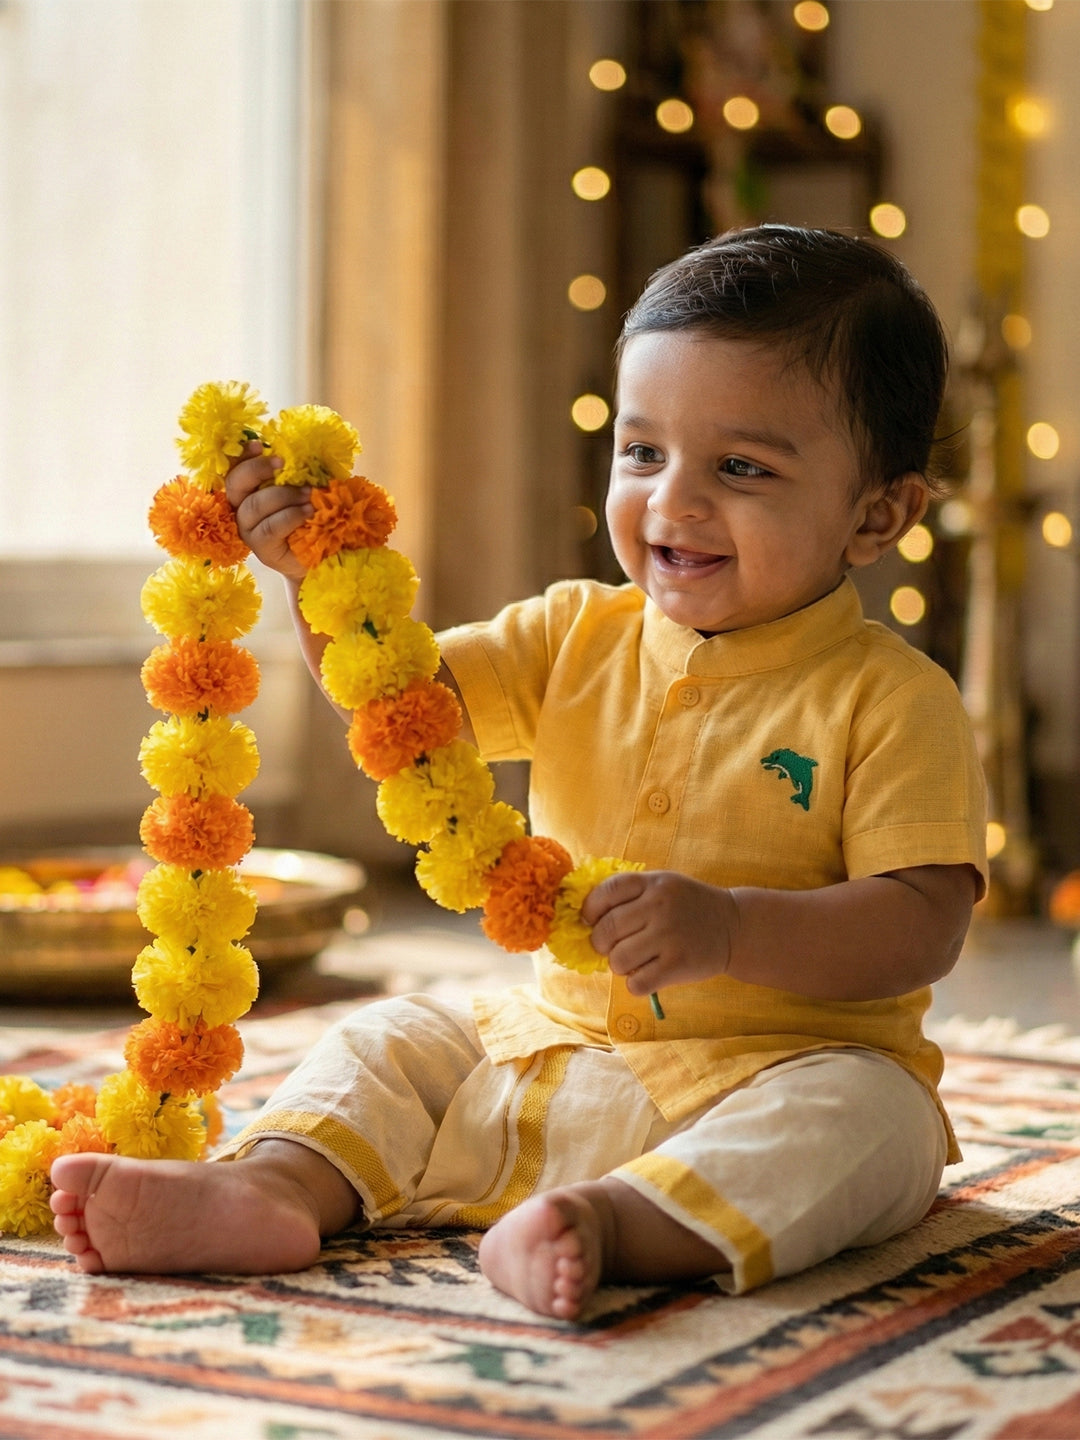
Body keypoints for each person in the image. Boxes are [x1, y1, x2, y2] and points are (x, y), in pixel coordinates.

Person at [51, 224, 986, 1322]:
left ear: (878, 515)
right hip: (553, 1047)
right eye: (643, 454)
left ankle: (613, 1223)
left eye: (740, 468)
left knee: (874, 1128)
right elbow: (400, 708)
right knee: (392, 1036)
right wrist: (316, 577)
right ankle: (272, 1187)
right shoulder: (573, 632)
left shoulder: (893, 699)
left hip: (781, 1070)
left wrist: (733, 930)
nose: (672, 504)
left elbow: (922, 924)